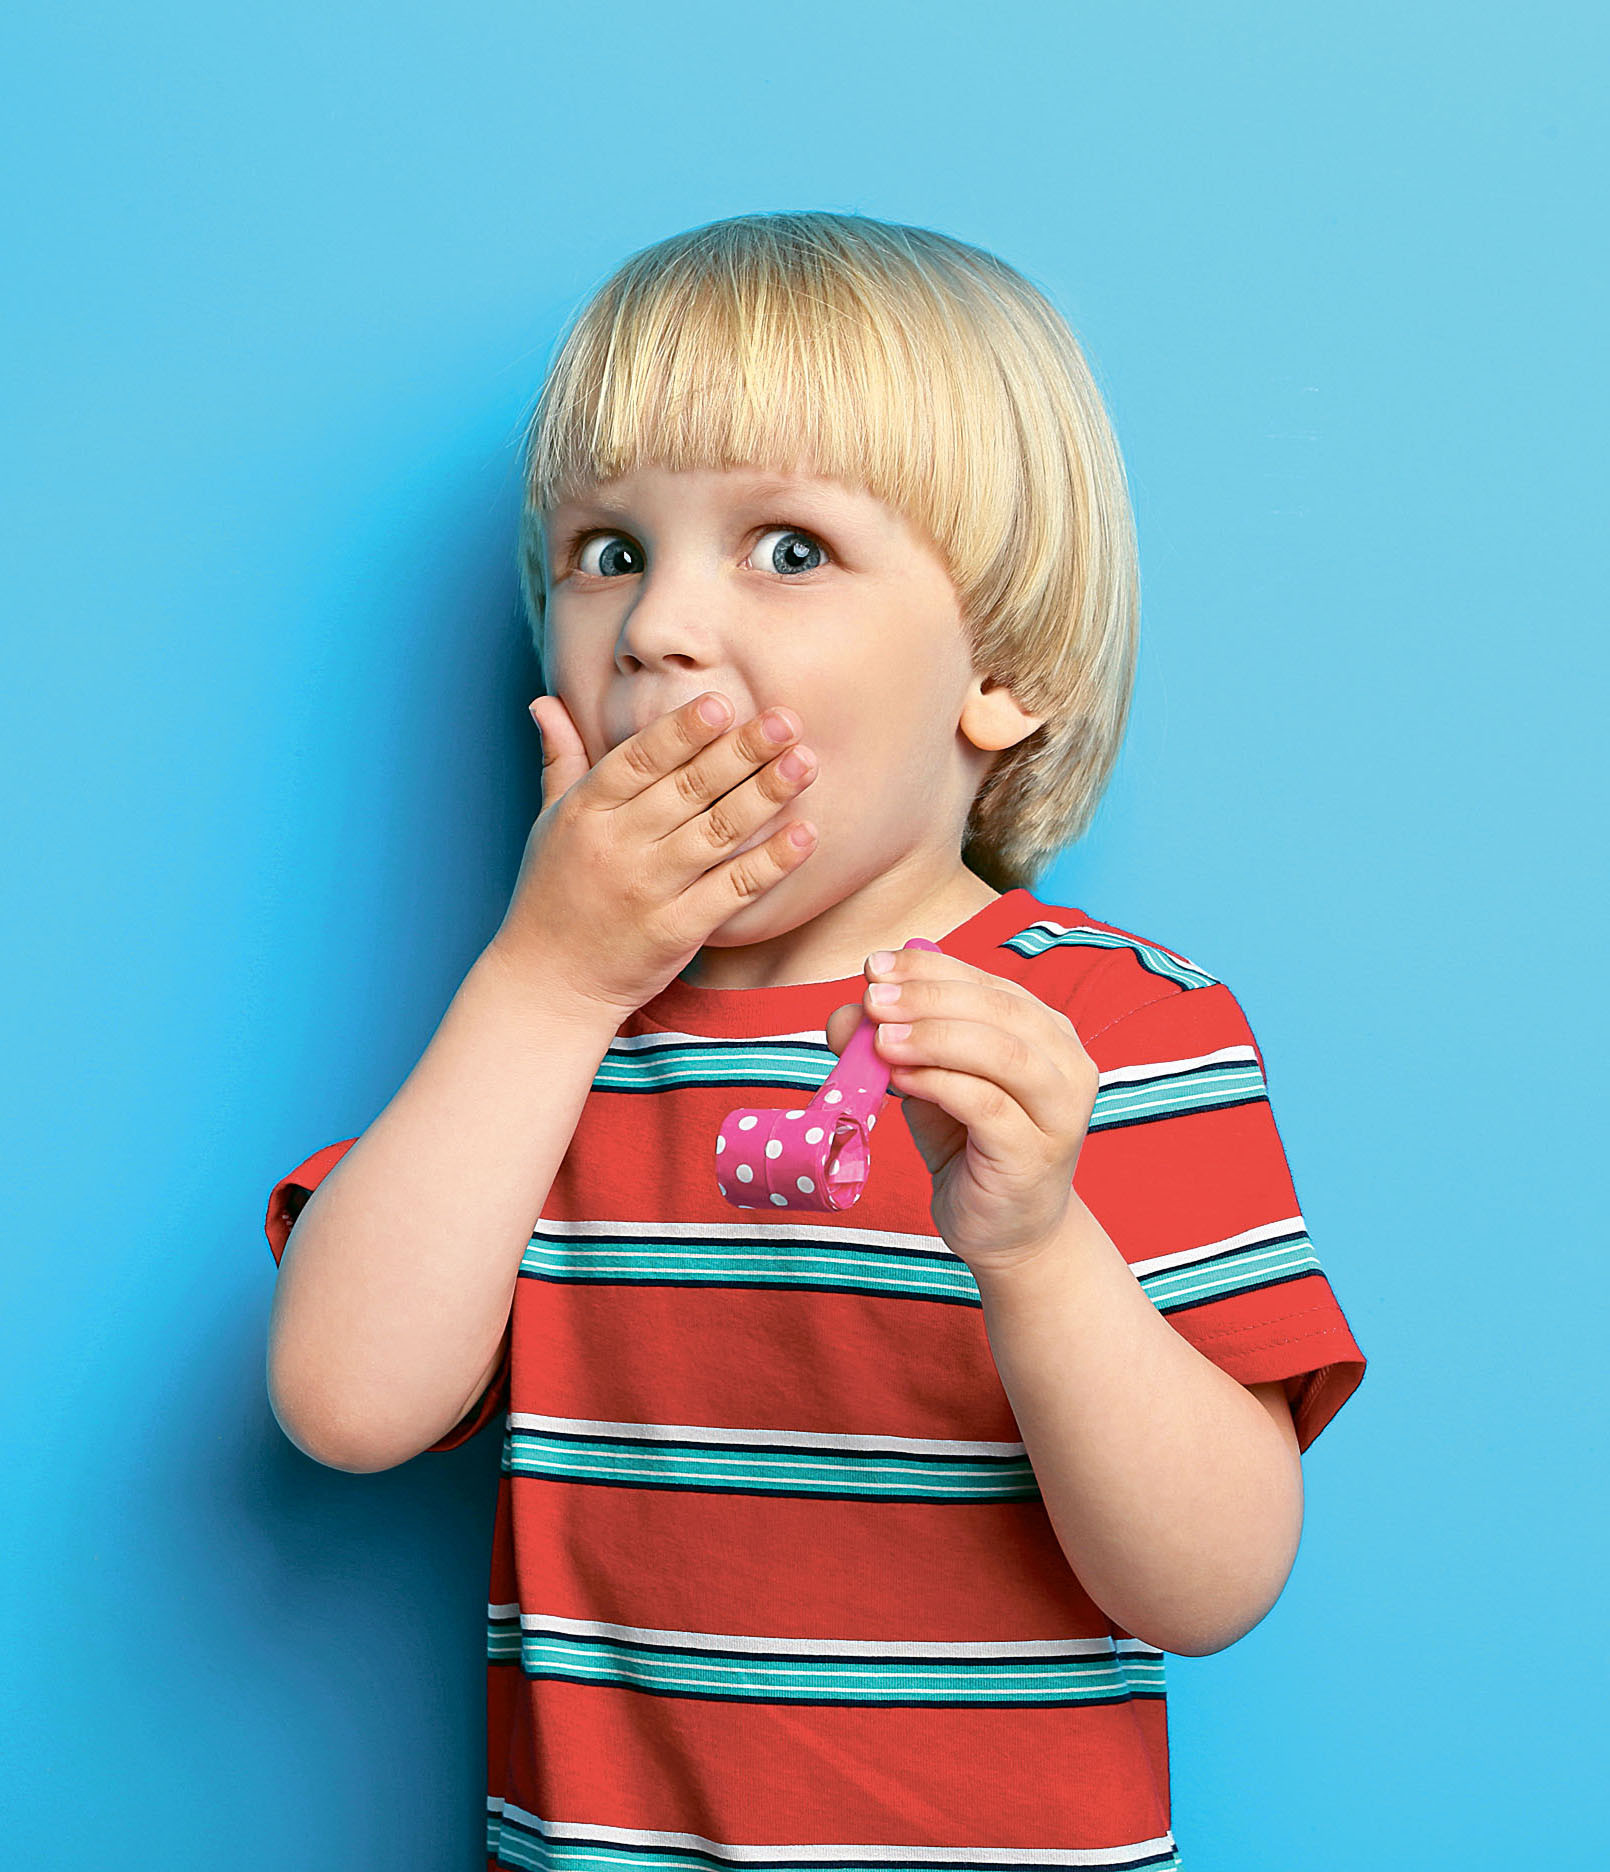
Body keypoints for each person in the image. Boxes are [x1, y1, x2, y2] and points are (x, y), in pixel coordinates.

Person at [264, 210, 1367, 1871]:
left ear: (1004, 666)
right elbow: (346, 1406)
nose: (654, 627)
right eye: (606, 551)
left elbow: (1207, 1585)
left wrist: (1038, 1248)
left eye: (786, 549)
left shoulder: (1112, 1030)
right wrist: (547, 983)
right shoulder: (544, 1041)